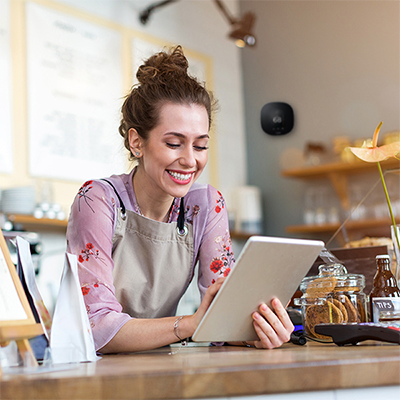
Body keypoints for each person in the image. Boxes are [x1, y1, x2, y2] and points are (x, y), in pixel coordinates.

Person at [66, 45, 293, 354]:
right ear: (137, 142)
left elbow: (223, 310)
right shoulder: (97, 201)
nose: (189, 160)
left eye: (200, 146)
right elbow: (96, 329)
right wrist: (189, 325)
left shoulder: (206, 205)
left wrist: (254, 329)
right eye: (174, 143)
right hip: (90, 369)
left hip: (159, 363)